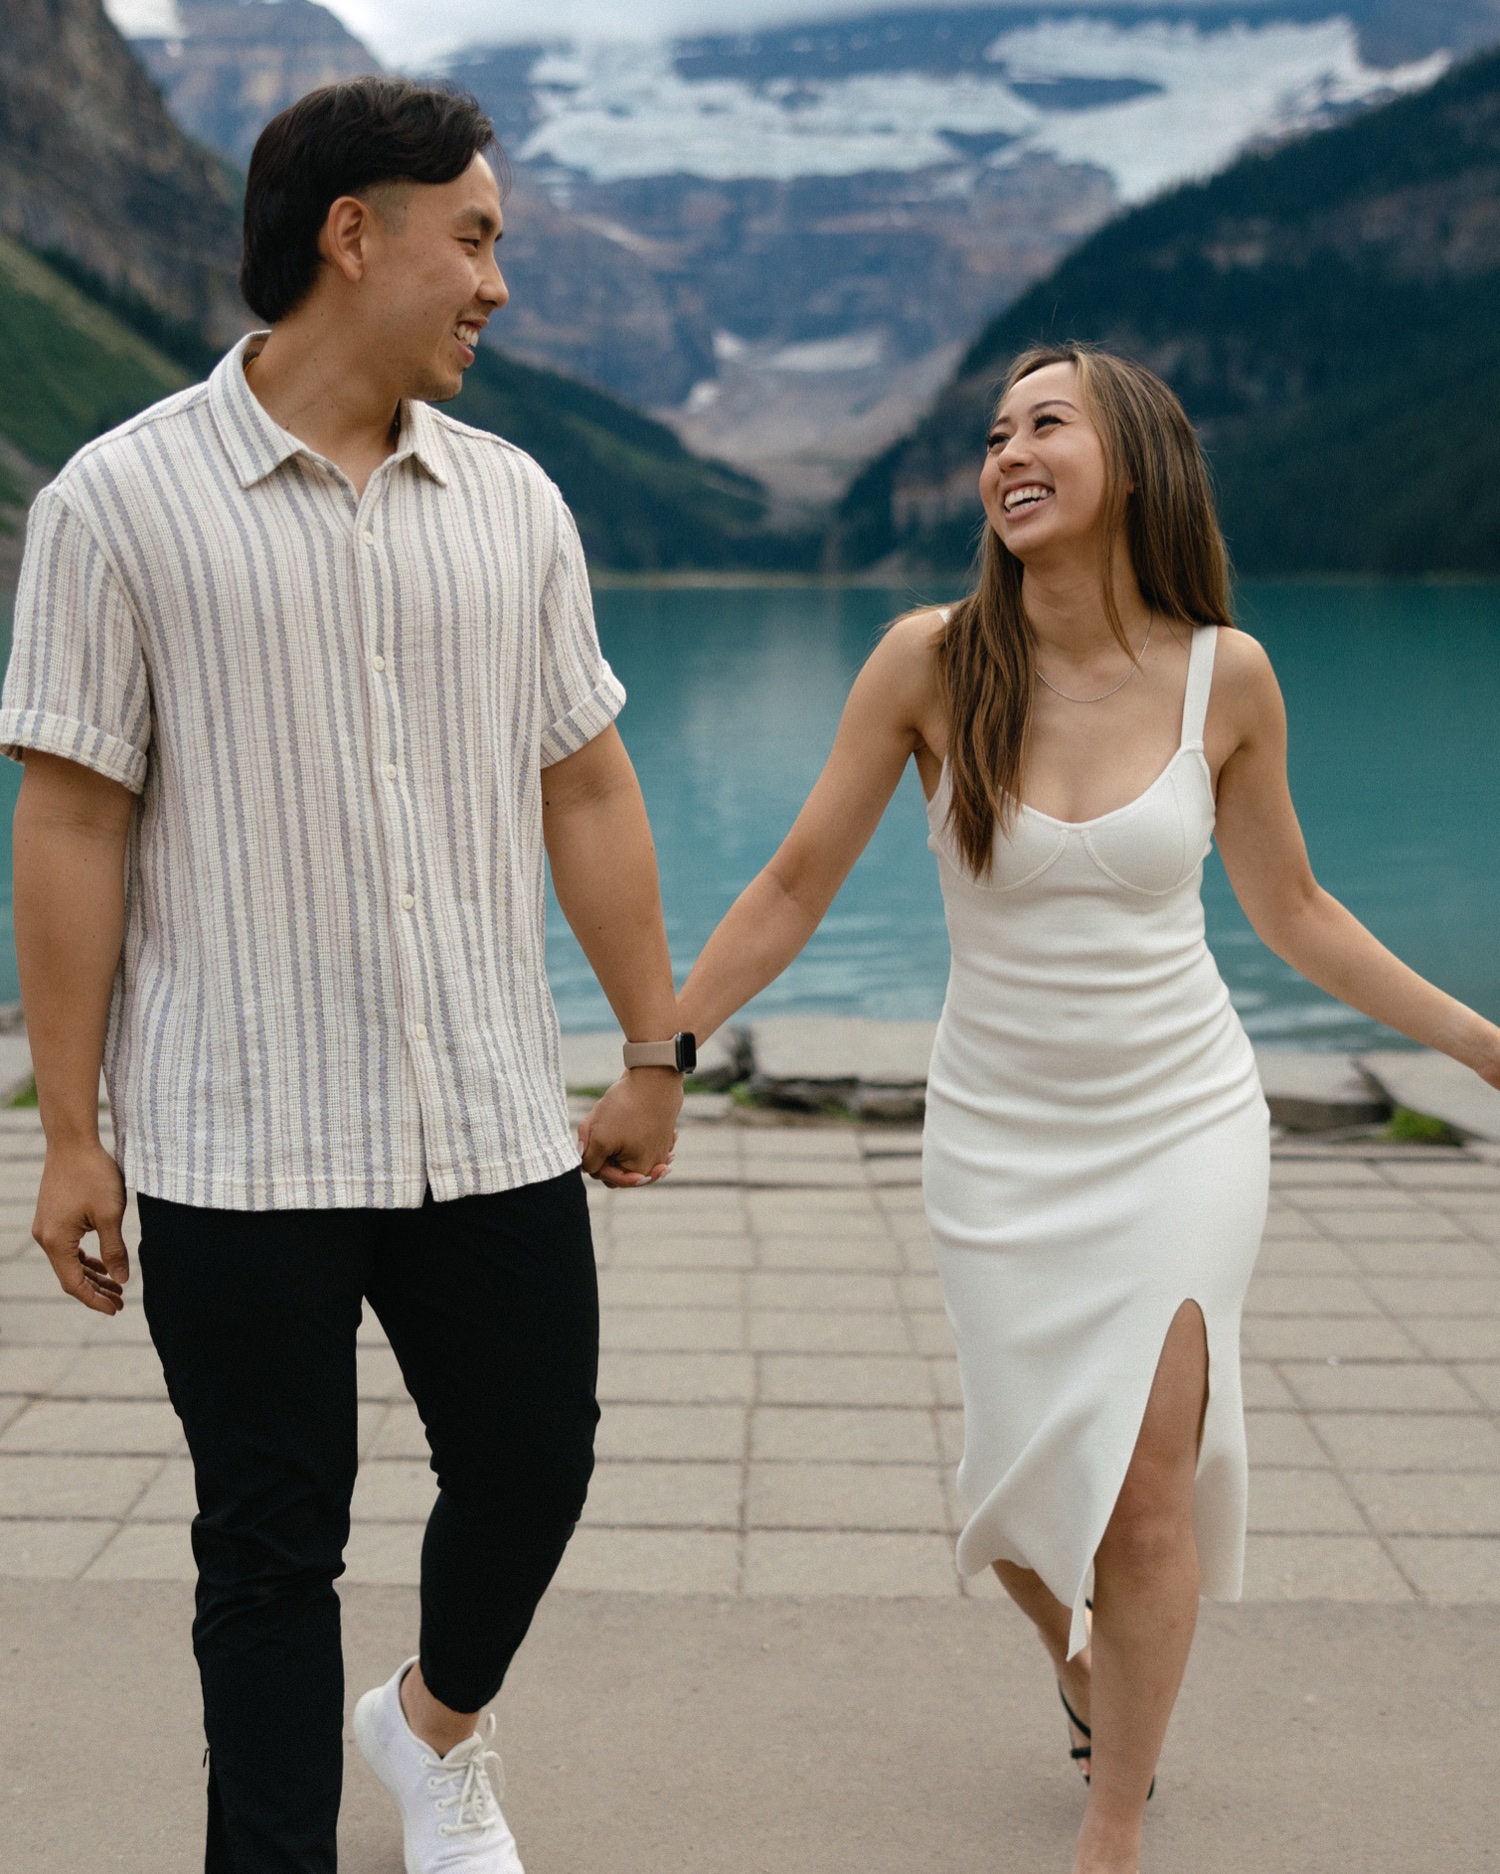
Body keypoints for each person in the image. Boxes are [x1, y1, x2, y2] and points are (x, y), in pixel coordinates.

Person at [661, 344, 1500, 1874]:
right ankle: (1079, 1656)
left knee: (1149, 1491)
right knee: (1017, 1480)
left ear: (1137, 463)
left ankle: (1111, 1825)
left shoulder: (1222, 675)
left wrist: (1477, 1040)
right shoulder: (929, 660)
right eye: (996, 433)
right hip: (997, 1137)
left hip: (1183, 1119)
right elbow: (793, 884)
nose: (1009, 452)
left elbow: (1296, 908)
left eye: (1047, 423)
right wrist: (668, 1046)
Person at [2, 77, 686, 1874]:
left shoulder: (517, 503)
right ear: (350, 234)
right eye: (475, 237)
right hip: (239, 1138)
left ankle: (431, 1725)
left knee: (537, 1465)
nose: (498, 284)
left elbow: (590, 783)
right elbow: (71, 825)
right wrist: (69, 1134)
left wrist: (654, 1048)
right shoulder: (117, 502)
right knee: (266, 1546)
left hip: (485, 1114)